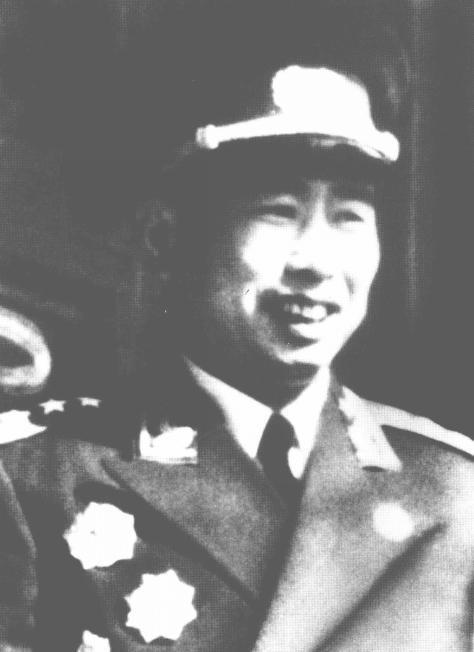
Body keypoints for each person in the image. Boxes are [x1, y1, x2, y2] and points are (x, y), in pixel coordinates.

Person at [0, 2, 473, 651]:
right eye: (277, 210)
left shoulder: (453, 494)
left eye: (350, 215)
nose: (317, 262)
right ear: (167, 235)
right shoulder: (36, 480)